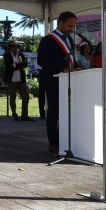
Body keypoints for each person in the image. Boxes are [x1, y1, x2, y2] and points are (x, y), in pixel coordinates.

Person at [37, 10, 77, 157]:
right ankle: (53, 143)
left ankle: (65, 140)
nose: (72, 29)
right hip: (53, 80)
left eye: (73, 26)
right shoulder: (48, 39)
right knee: (54, 112)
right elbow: (42, 61)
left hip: (69, 80)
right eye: (69, 26)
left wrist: (75, 66)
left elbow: (70, 58)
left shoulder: (70, 40)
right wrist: (61, 68)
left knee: (67, 111)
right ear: (60, 22)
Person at [2, 41, 33, 122]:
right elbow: (9, 67)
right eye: (13, 46)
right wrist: (19, 64)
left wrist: (16, 65)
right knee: (13, 98)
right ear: (10, 48)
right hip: (11, 79)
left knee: (26, 96)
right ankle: (14, 114)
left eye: (16, 46)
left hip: (20, 79)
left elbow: (25, 64)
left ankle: (24, 115)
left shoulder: (21, 54)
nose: (15, 48)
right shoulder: (7, 55)